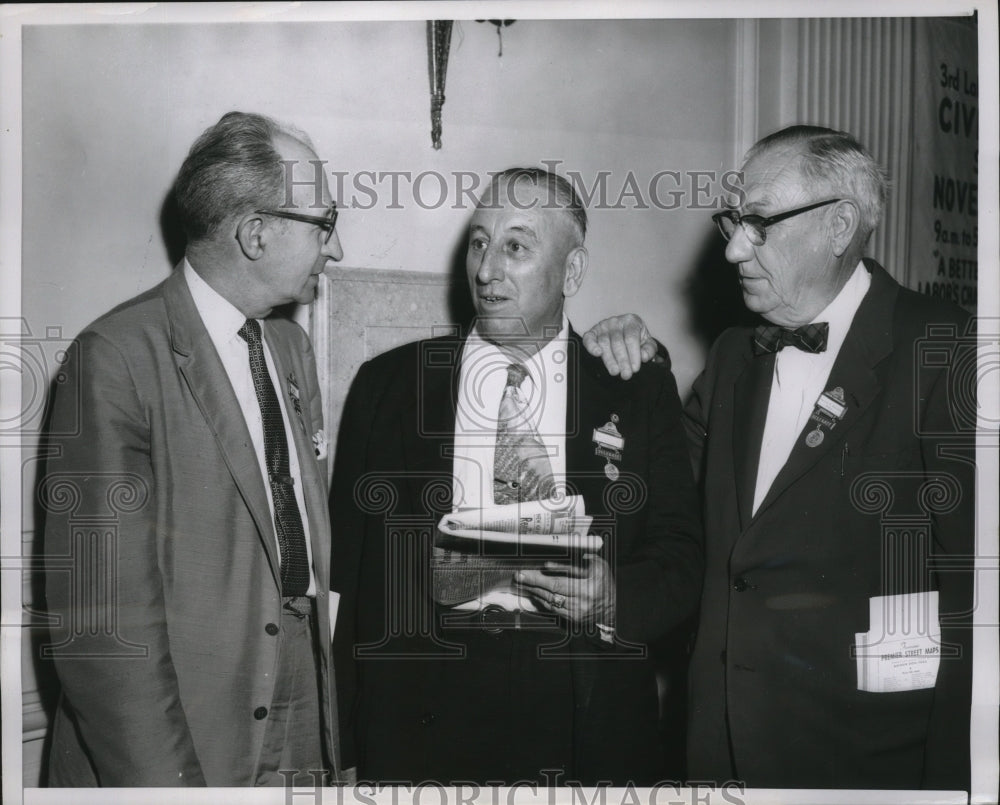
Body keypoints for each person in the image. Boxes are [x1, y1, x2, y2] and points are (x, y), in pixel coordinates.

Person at [584, 125, 975, 790]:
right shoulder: (737, 356)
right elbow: (657, 495)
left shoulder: (945, 348)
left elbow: (977, 600)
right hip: (717, 752)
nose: (735, 247)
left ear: (839, 224)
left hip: (867, 763)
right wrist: (630, 372)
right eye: (733, 221)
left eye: (759, 222)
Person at [330, 168, 703, 785]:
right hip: (424, 713)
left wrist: (616, 596)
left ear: (573, 271)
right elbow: (350, 570)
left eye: (516, 246)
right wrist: (343, 744)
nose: (486, 270)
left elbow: (684, 556)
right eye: (479, 242)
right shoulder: (389, 387)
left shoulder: (636, 391)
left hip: (583, 712)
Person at [41, 111, 346, 786]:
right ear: (255, 232)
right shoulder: (115, 358)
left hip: (301, 729)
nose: (335, 247)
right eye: (323, 222)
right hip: (185, 745)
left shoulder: (292, 351)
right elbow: (103, 630)